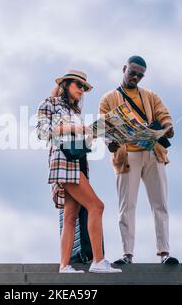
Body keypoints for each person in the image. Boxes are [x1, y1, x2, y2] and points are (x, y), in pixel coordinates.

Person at [36, 69, 121, 274]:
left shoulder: (75, 111)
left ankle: (64, 266)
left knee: (70, 216)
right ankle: (98, 261)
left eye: (84, 87)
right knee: (97, 206)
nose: (82, 90)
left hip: (78, 161)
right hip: (63, 161)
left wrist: (94, 133)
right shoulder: (49, 104)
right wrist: (72, 129)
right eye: (79, 85)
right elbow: (42, 132)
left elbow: (77, 139)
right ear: (66, 84)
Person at [98, 56, 179, 265]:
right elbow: (103, 126)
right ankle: (127, 254)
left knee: (160, 203)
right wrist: (110, 142)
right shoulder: (108, 98)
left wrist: (167, 127)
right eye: (132, 73)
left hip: (153, 152)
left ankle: (164, 252)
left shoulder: (150, 95)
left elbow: (163, 114)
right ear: (124, 68)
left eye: (140, 75)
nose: (135, 77)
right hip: (127, 156)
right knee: (127, 206)